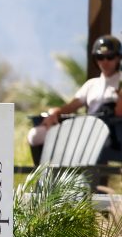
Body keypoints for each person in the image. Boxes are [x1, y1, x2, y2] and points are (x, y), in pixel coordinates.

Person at [27, 34, 122, 164]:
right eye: (100, 57)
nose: (105, 61)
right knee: (35, 135)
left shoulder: (120, 83)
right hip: (86, 130)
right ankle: (41, 175)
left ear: (118, 58)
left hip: (111, 136)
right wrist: (55, 113)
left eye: (110, 57)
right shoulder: (91, 85)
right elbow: (71, 107)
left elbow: (119, 114)